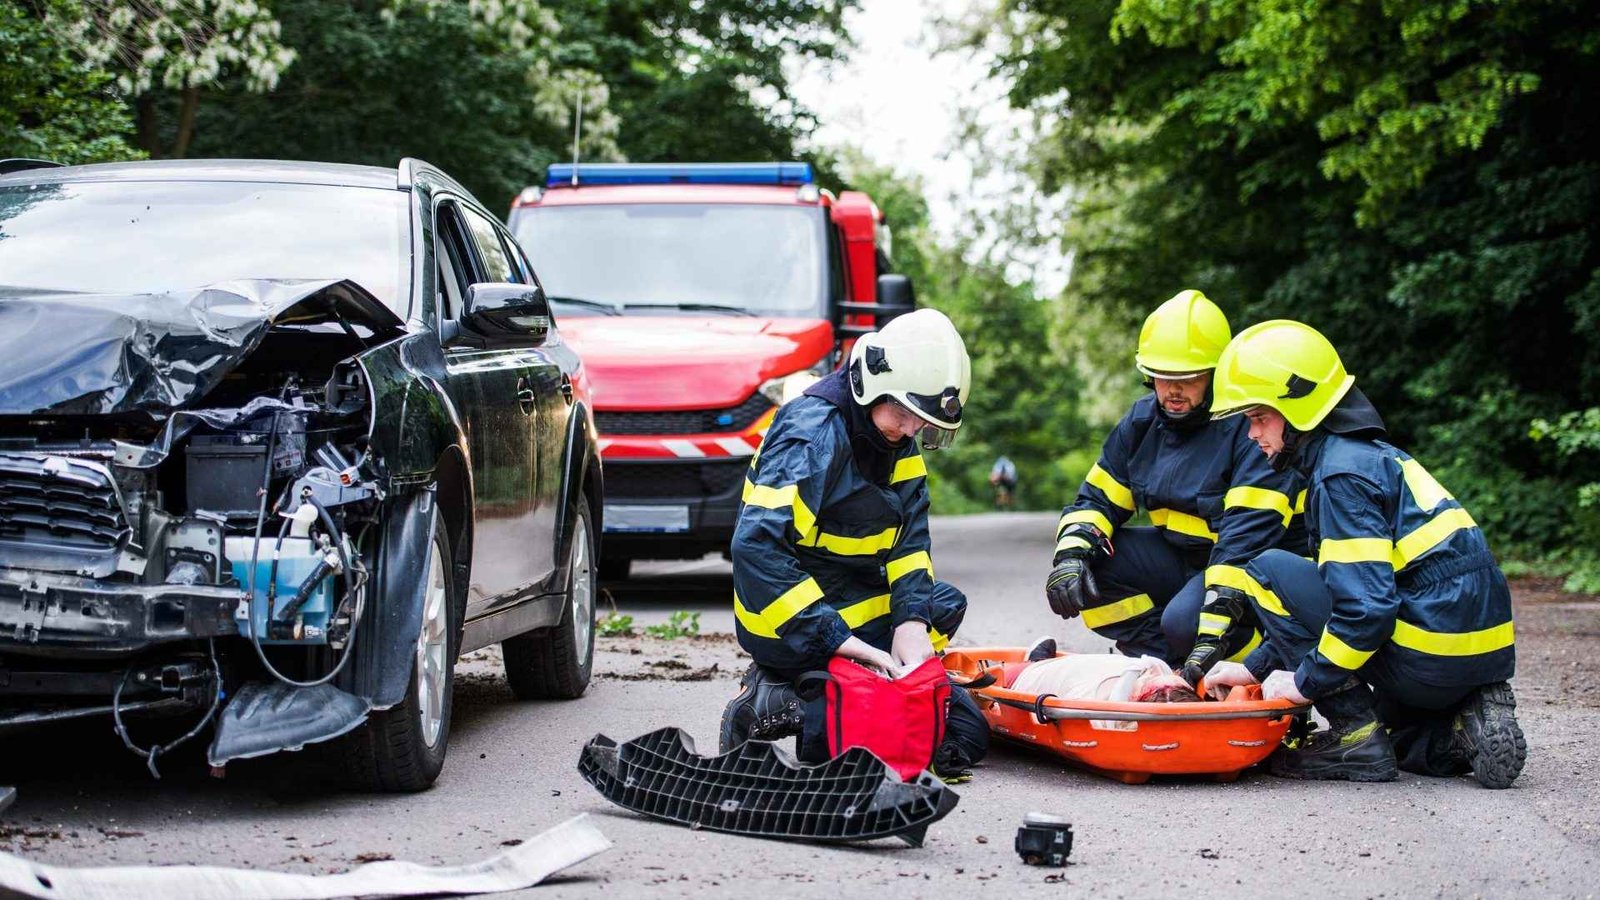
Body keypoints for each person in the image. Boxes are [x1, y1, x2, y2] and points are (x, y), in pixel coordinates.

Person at [1202, 320, 1524, 788]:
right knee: (1399, 734)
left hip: (1426, 646)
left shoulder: (1338, 476)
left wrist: (1303, 683)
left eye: (1257, 417)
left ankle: (1356, 740)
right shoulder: (1369, 456)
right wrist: (1253, 667)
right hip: (1482, 648)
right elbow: (1336, 593)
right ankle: (1462, 727)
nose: (1252, 434)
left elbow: (1365, 610)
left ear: (1299, 409)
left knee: (1264, 571)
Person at [719, 309, 988, 779]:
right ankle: (774, 697)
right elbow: (757, 548)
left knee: (962, 734)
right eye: (902, 416)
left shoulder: (895, 436)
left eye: (919, 423)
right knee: (837, 747)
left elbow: (910, 544)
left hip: (850, 599)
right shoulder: (812, 433)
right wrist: (840, 642)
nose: (909, 433)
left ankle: (845, 684)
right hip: (785, 619)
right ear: (870, 387)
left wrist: (909, 623)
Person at [1045, 290, 1306, 679]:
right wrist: (1070, 556)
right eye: (1162, 377)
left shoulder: (1250, 427)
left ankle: (1270, 667)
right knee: (1092, 571)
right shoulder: (1142, 422)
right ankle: (1168, 668)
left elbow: (1246, 540)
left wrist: (1212, 623)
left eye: (1187, 378)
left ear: (1217, 374)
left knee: (1188, 624)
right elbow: (1096, 500)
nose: (1172, 390)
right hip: (1184, 560)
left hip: (1253, 573)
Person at [1003, 637, 1201, 703]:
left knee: (1006, 677)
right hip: (1040, 673)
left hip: (1027, 677)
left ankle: (1036, 660)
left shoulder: (1092, 699)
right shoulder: (1149, 669)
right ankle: (1036, 660)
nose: (1155, 671)